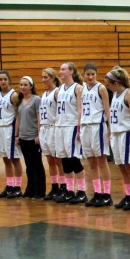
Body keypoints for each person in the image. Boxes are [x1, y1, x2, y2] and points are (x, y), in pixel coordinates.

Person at [106, 68, 130, 210]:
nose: (107, 87)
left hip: (126, 133)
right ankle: (128, 194)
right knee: (121, 166)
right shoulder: (115, 94)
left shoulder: (129, 94)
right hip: (116, 133)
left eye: (109, 84)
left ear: (116, 83)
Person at [54, 63, 87, 204]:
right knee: (65, 161)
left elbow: (80, 109)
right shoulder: (59, 89)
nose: (60, 71)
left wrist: (79, 128)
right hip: (60, 126)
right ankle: (69, 190)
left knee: (74, 160)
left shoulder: (78, 88)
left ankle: (82, 191)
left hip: (72, 126)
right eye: (60, 69)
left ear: (71, 71)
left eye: (63, 69)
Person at [80, 63, 113, 208]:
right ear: (83, 75)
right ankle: (97, 192)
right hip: (85, 126)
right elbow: (80, 110)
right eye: (88, 74)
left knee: (101, 161)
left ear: (96, 74)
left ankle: (107, 194)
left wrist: (110, 128)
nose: (90, 77)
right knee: (91, 162)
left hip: (98, 126)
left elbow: (107, 110)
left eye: (93, 74)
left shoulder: (101, 88)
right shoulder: (82, 89)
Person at [15, 76, 46, 198]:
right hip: (23, 137)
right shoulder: (19, 100)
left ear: (31, 86)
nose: (23, 87)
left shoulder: (36, 100)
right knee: (28, 165)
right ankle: (30, 189)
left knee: (37, 164)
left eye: (25, 85)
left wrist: (39, 134)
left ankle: (40, 191)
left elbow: (39, 118)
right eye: (21, 85)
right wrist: (17, 135)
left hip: (33, 137)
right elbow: (18, 119)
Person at [0, 70, 24, 199]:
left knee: (15, 159)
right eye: (0, 79)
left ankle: (17, 187)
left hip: (10, 129)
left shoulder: (14, 95)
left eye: (5, 79)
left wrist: (17, 133)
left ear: (9, 81)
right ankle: (10, 185)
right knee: (5, 159)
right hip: (0, 129)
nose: (2, 81)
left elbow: (18, 115)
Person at [39, 68, 66, 201]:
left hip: (53, 128)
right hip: (44, 128)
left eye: (46, 77)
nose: (43, 80)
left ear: (53, 78)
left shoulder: (57, 92)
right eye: (42, 77)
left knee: (58, 160)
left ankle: (64, 187)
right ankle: (54, 186)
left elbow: (61, 111)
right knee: (50, 160)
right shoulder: (44, 94)